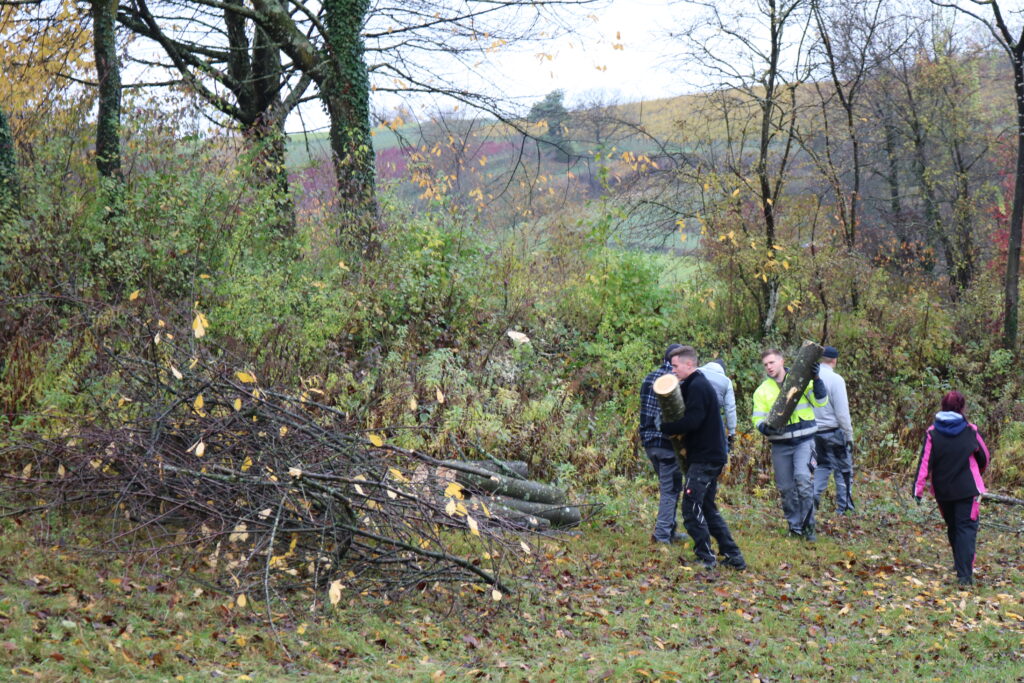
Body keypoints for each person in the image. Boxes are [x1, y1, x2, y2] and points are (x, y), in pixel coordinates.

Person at [661, 346, 746, 570]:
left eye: (676, 366)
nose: (673, 370)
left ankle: (706, 557)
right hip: (708, 455)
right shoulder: (692, 385)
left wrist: (668, 427)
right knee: (707, 507)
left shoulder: (698, 385)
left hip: (707, 458)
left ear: (689, 364)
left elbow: (693, 421)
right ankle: (734, 557)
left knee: (691, 507)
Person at [913, 391, 991, 586]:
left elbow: (925, 462)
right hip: (968, 489)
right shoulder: (971, 430)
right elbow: (985, 457)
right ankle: (965, 576)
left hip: (943, 490)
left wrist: (918, 490)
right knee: (966, 529)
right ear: (962, 407)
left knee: (954, 526)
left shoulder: (932, 432)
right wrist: (977, 472)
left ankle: (960, 566)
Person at [751, 348, 828, 541]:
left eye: (772, 362)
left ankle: (809, 528)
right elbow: (757, 418)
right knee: (786, 488)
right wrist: (764, 428)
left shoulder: (801, 380)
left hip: (804, 440)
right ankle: (795, 528)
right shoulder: (762, 391)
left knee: (803, 480)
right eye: (766, 364)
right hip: (781, 444)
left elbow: (821, 402)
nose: (769, 367)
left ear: (781, 361)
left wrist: (817, 379)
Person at [639, 343, 686, 544]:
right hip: (668, 445)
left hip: (650, 443)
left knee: (670, 486)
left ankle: (671, 530)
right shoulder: (676, 381)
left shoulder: (648, 378)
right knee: (670, 489)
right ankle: (662, 535)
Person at [812, 346, 855, 514]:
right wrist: (849, 435)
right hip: (834, 433)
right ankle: (844, 509)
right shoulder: (836, 380)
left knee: (821, 467)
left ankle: (812, 500)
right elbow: (842, 413)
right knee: (843, 471)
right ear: (834, 360)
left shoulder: (810, 379)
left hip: (814, 433)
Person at [699, 358, 737, 450]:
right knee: (721, 447)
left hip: (693, 413)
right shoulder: (726, 381)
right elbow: (730, 409)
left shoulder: (697, 371)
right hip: (713, 417)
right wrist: (732, 432)